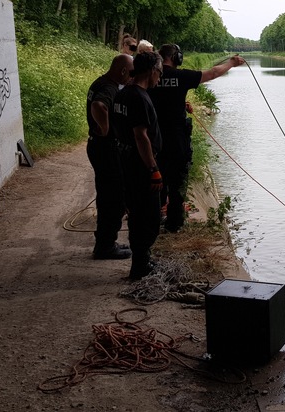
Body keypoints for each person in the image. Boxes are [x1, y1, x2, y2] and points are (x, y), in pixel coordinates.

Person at [148, 44, 245, 232]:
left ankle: (153, 219)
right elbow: (214, 73)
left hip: (152, 137)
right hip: (176, 139)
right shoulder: (181, 76)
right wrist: (232, 62)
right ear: (177, 58)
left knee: (155, 178)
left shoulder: (149, 76)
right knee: (177, 182)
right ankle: (174, 224)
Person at [112, 51, 164, 280]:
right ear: (152, 70)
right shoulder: (140, 98)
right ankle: (141, 266)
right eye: (160, 73)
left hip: (125, 160)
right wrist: (153, 170)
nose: (160, 78)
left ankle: (140, 262)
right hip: (141, 165)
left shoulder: (123, 93)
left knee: (136, 213)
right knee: (150, 216)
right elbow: (141, 136)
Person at [86, 54, 133, 260]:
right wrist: (105, 127)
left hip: (97, 146)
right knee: (113, 198)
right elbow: (99, 105)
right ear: (122, 71)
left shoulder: (100, 81)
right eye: (130, 73)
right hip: (106, 148)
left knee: (107, 195)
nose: (130, 78)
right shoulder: (110, 88)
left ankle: (106, 242)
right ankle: (105, 246)